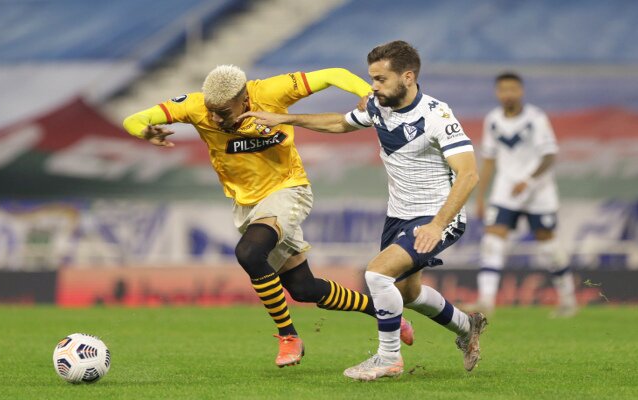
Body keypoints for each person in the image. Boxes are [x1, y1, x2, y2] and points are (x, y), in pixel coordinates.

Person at [122, 65, 414, 368]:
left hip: (289, 190)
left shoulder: (271, 92)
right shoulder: (195, 106)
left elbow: (333, 74)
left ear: (244, 99)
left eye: (223, 112)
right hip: (248, 206)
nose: (215, 119)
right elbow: (134, 118)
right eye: (211, 112)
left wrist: (366, 93)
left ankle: (288, 336)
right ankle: (386, 313)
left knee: (249, 252)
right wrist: (144, 131)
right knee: (304, 288)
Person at [239, 41, 487, 381]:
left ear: (408, 76)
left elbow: (469, 174)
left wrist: (437, 225)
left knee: (377, 274)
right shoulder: (377, 106)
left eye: (381, 79)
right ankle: (467, 325)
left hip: (435, 216)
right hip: (399, 214)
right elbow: (341, 123)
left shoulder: (436, 116)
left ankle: (388, 359)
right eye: (372, 78)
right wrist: (285, 117)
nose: (373, 86)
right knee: (408, 294)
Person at [471, 72, 577, 317]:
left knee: (548, 247)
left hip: (539, 192)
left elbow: (549, 155)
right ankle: (486, 302)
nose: (508, 94)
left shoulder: (536, 118)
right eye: (503, 89)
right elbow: (488, 160)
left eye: (513, 89)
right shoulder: (493, 120)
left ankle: (567, 299)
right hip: (505, 192)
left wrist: (528, 180)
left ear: (521, 92)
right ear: (497, 93)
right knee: (492, 243)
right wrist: (480, 197)